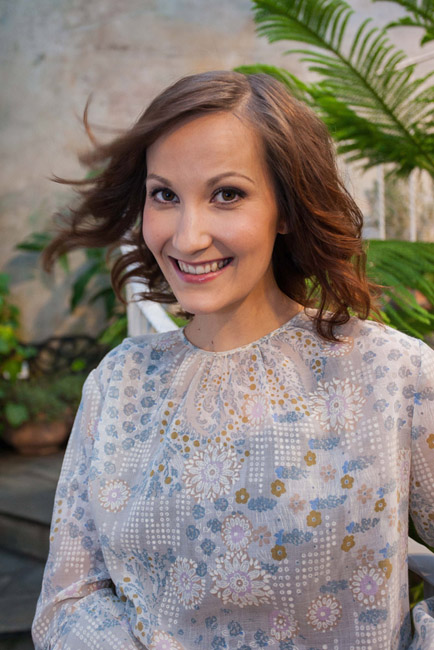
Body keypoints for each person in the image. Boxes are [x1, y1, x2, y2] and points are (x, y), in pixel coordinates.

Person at [32, 71, 434, 650]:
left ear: (286, 209)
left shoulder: (391, 373)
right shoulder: (118, 384)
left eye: (226, 194)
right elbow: (69, 598)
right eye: (164, 195)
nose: (187, 237)